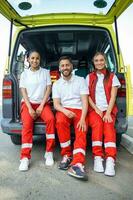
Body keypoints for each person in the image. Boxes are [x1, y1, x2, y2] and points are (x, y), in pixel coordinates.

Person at [52, 56, 89, 180]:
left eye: (67, 65)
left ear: (72, 66)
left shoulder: (81, 80)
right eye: (62, 65)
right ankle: (66, 155)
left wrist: (83, 118)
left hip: (79, 110)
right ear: (59, 68)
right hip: (64, 109)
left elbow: (85, 101)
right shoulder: (56, 84)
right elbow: (56, 104)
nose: (65, 67)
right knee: (60, 121)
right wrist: (65, 111)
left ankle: (77, 163)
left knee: (81, 129)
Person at [19, 49, 55, 171]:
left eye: (37, 58)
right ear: (28, 59)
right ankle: (25, 157)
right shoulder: (24, 74)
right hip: (28, 104)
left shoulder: (45, 72)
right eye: (32, 58)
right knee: (27, 124)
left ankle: (49, 152)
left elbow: (48, 89)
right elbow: (23, 92)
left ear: (40, 60)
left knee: (50, 119)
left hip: (43, 104)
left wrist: (41, 106)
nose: (35, 60)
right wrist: (29, 108)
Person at [86, 52, 121, 176]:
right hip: (94, 109)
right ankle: (98, 157)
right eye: (96, 60)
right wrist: (96, 109)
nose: (99, 62)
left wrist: (108, 113)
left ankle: (110, 159)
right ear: (93, 63)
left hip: (108, 110)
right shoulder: (89, 77)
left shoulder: (112, 77)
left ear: (105, 61)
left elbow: (113, 97)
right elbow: (87, 96)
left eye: (101, 60)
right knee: (97, 126)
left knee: (109, 128)